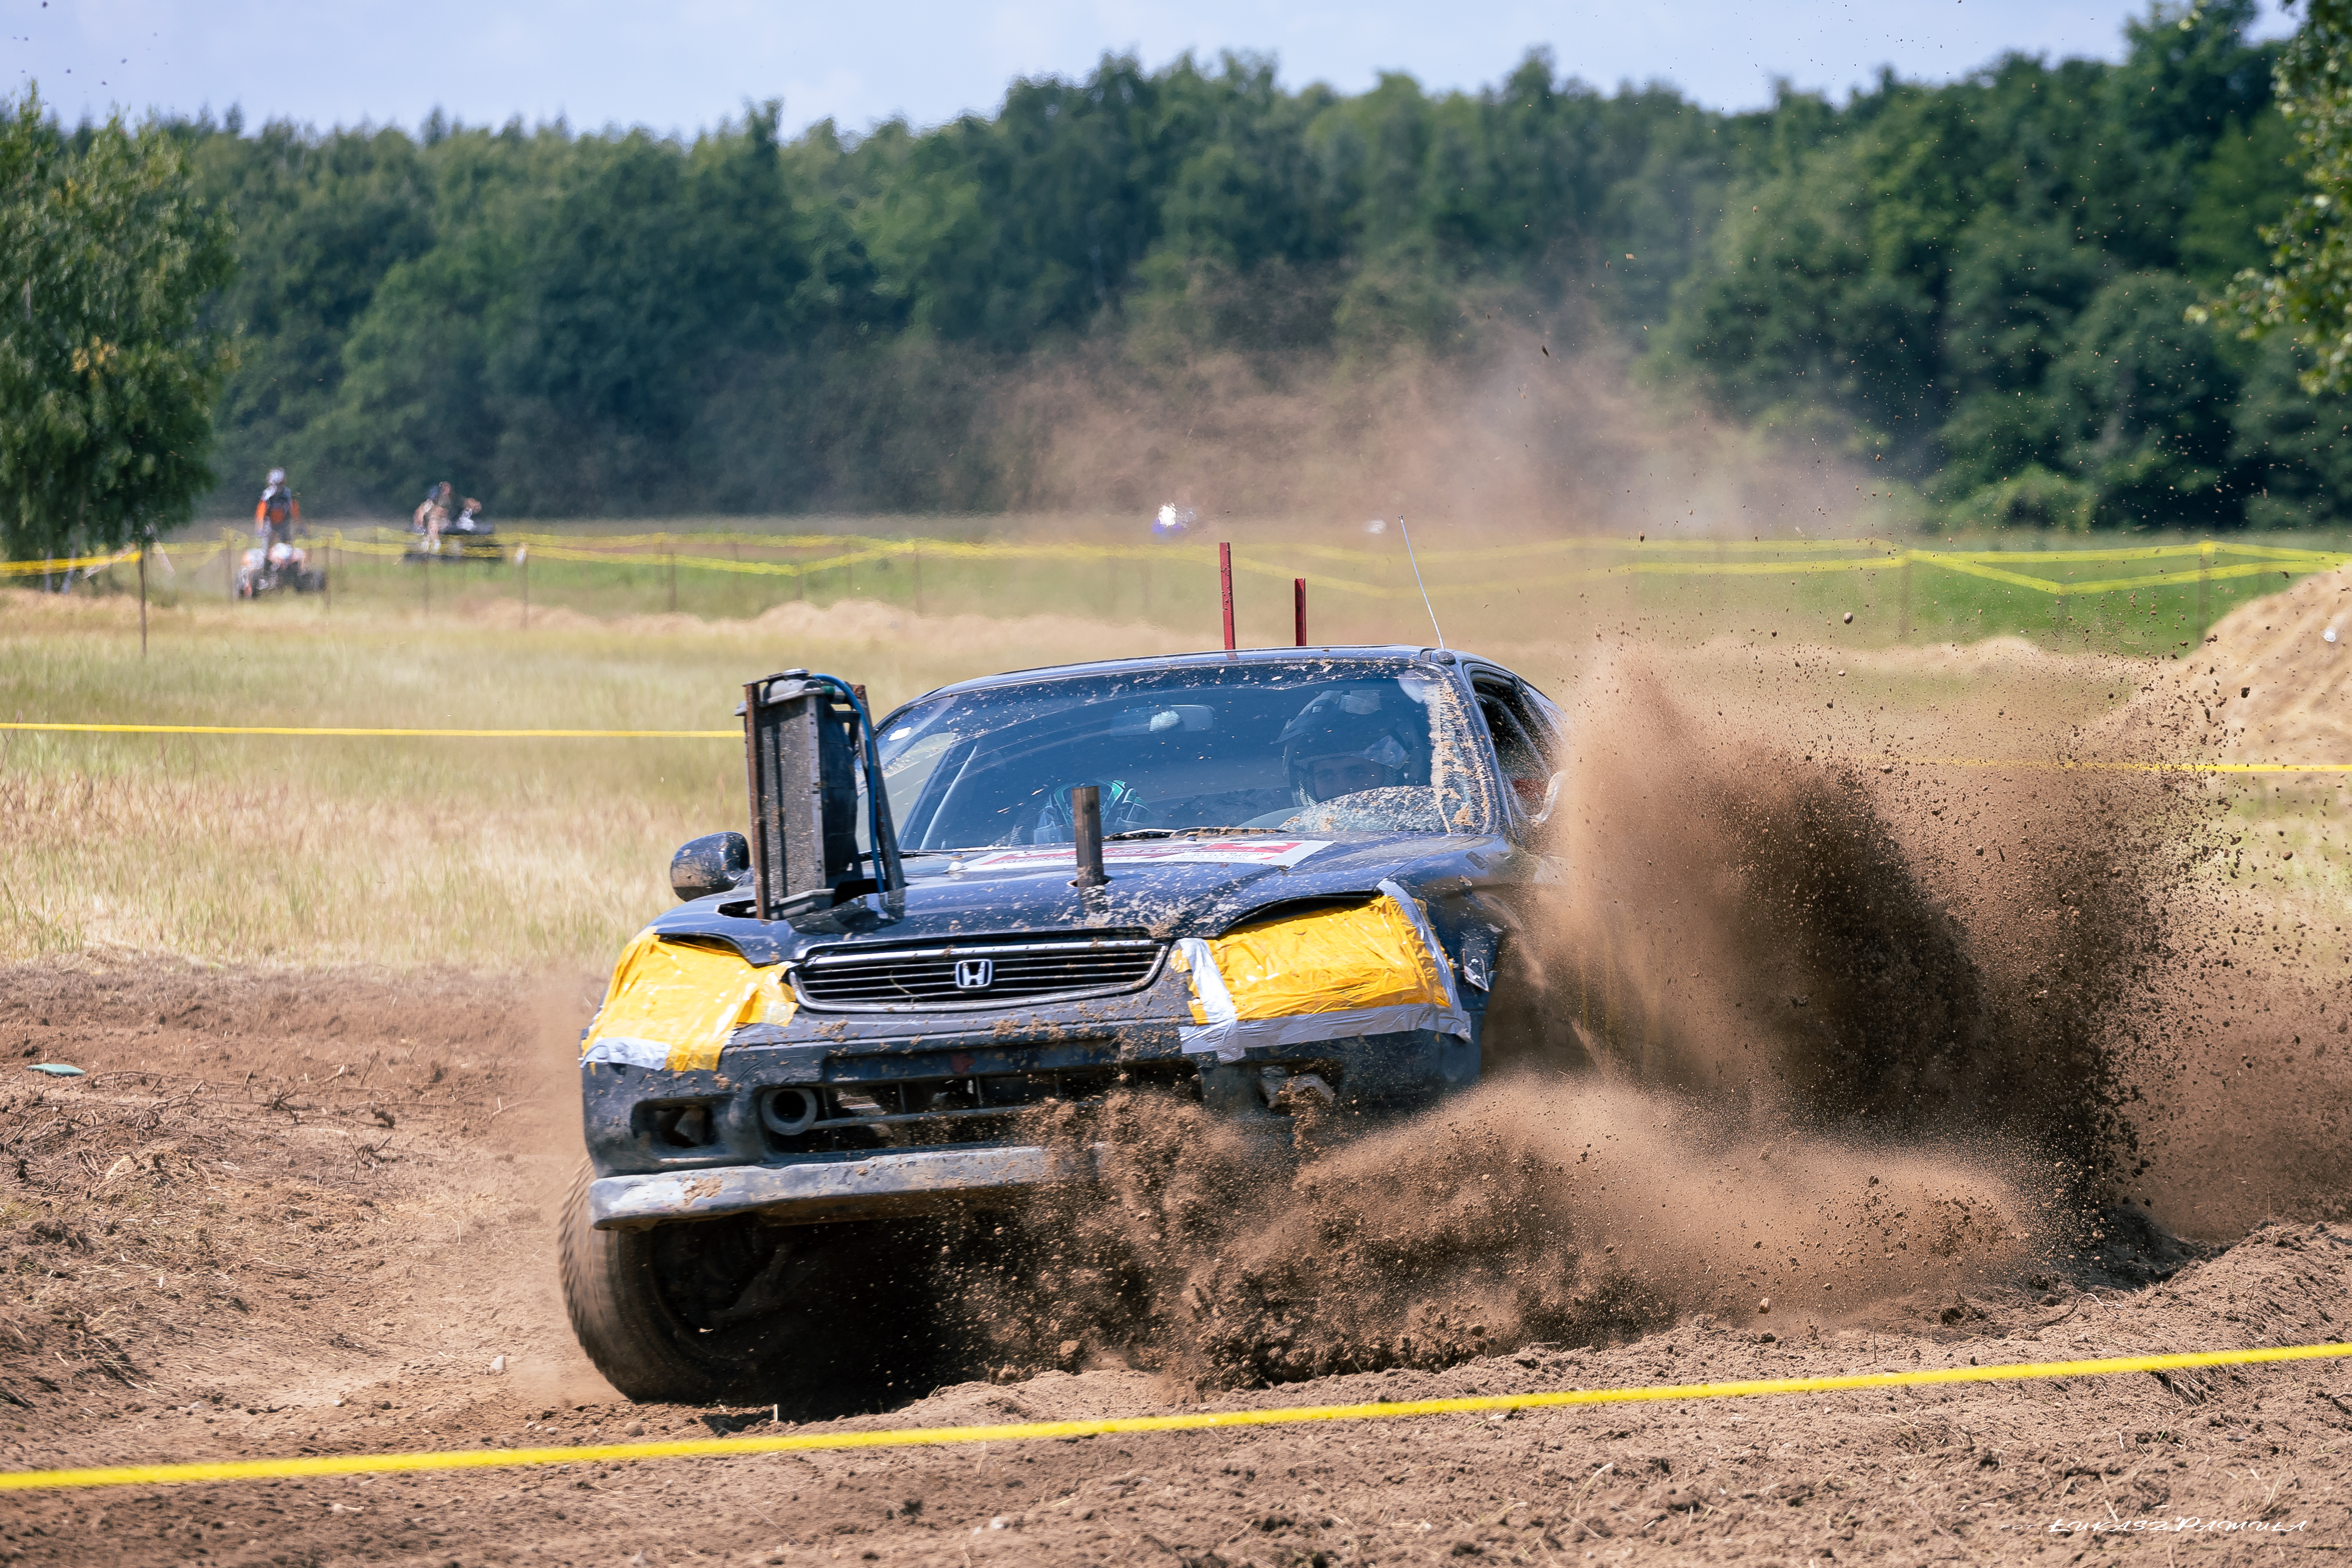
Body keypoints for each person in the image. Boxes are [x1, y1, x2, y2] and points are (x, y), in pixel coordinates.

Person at [1275, 688, 1425, 806]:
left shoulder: (1436, 833)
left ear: (1399, 773)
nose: (1342, 789)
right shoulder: (1272, 832)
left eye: (1356, 773)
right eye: (1326, 776)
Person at [254, 467, 301, 554]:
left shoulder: (287, 494)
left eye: (281, 484)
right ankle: (266, 564)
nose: (278, 487)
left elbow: (294, 510)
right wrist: (260, 527)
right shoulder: (267, 495)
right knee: (266, 550)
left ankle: (288, 565)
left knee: (288, 546)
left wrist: (299, 525)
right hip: (270, 524)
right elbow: (261, 513)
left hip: (283, 524)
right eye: (276, 484)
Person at [413, 481, 453, 552]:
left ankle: (433, 544)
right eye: (444, 488)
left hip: (441, 523)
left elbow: (445, 514)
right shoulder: (430, 503)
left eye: (447, 488)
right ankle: (427, 544)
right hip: (429, 522)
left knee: (432, 524)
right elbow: (420, 512)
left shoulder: (447, 502)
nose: (445, 490)